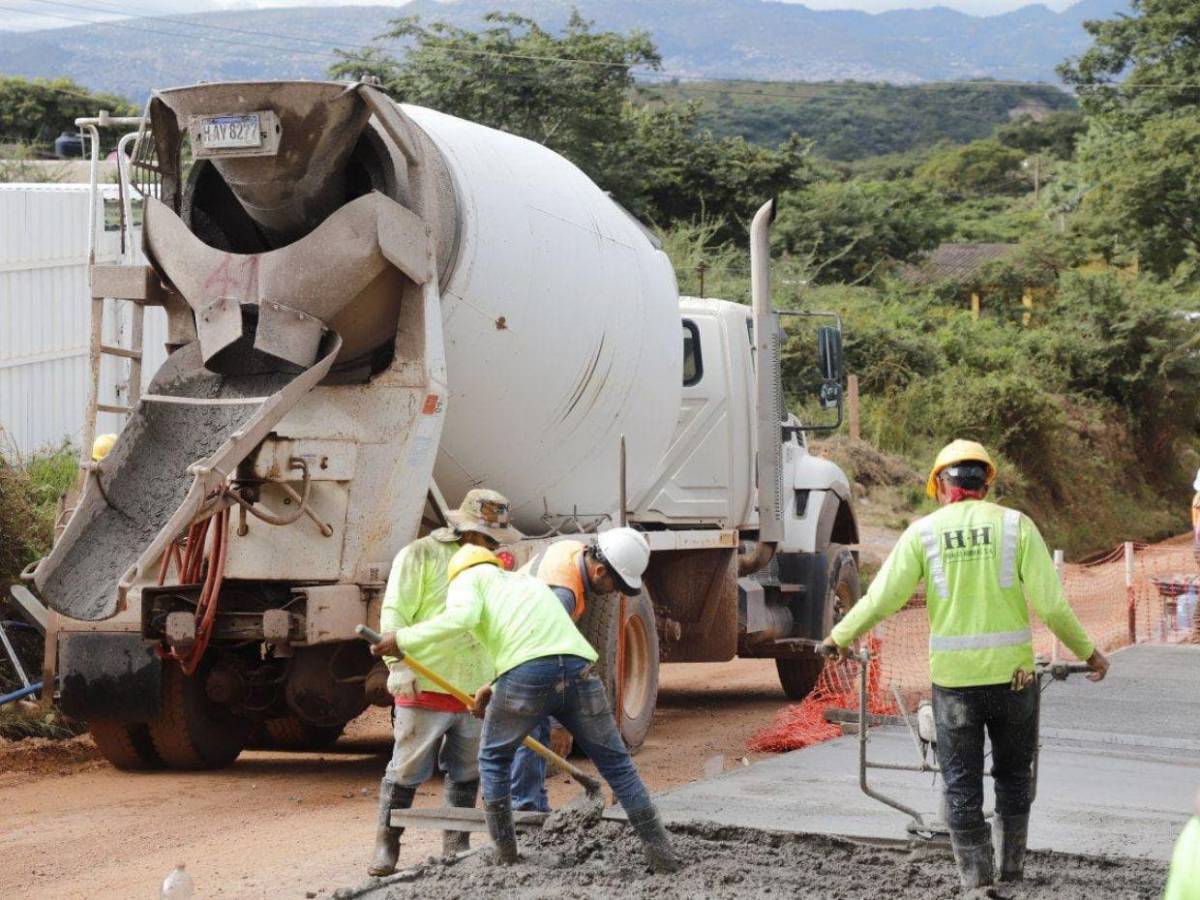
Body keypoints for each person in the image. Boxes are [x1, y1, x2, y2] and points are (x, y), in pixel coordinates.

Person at [820, 439, 1109, 894]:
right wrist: (1090, 653)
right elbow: (1052, 607)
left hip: (955, 685)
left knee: (960, 785)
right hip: (1014, 680)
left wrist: (838, 636)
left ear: (940, 485)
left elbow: (881, 599)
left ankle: (976, 884)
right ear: (986, 484)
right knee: (1014, 777)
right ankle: (1011, 876)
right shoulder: (1016, 526)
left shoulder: (924, 533)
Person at [368, 545, 680, 873]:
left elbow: (463, 619)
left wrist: (401, 639)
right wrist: (495, 686)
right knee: (617, 765)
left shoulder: (467, 578)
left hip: (528, 674)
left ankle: (505, 856)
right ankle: (662, 854)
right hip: (581, 670)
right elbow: (537, 641)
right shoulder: (526, 582)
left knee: (493, 759)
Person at [367, 489, 522, 876]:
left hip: (475, 688)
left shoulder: (495, 565)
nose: (492, 545)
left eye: (495, 540)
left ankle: (456, 845)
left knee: (467, 770)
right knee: (406, 769)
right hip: (424, 681)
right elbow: (395, 612)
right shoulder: (419, 555)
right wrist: (397, 667)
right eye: (486, 538)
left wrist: (497, 677)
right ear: (465, 529)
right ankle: (387, 845)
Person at [510, 528, 651, 813]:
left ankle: (532, 808)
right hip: (520, 652)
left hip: (525, 644)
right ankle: (525, 813)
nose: (614, 592)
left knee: (535, 729)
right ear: (599, 571)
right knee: (531, 730)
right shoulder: (562, 593)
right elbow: (547, 655)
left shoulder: (574, 552)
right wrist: (560, 721)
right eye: (615, 584)